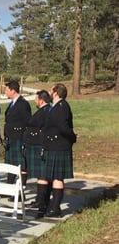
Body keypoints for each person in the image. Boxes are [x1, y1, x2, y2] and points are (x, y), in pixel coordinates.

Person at [41, 84, 76, 218]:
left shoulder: (62, 107)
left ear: (56, 93)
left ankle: (55, 208)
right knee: (53, 177)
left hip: (59, 146)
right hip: (53, 146)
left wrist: (72, 137)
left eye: (51, 90)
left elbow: (63, 127)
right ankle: (51, 206)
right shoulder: (55, 106)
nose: (49, 92)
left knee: (57, 177)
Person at [24, 90, 51, 217]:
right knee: (41, 176)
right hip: (35, 145)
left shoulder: (46, 111)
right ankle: (40, 201)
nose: (34, 101)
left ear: (41, 100)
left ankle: (42, 203)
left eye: (36, 98)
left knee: (42, 176)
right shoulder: (45, 110)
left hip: (38, 146)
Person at [4, 80, 31, 181]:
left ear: (13, 91)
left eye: (7, 90)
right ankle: (9, 186)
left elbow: (27, 122)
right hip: (11, 137)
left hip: (19, 138)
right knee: (11, 163)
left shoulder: (23, 104)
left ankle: (21, 188)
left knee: (21, 164)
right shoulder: (12, 103)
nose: (5, 92)